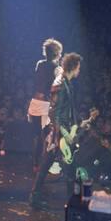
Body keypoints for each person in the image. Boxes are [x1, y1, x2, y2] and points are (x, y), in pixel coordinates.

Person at [29, 52, 82, 210]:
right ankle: (71, 201)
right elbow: (54, 112)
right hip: (59, 132)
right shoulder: (60, 84)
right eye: (78, 67)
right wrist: (63, 133)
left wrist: (76, 125)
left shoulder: (67, 83)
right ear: (73, 67)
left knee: (47, 164)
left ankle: (35, 197)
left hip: (61, 130)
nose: (80, 70)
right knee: (66, 165)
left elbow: (67, 109)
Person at [27, 38, 63, 173]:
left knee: (37, 135)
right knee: (48, 135)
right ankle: (45, 165)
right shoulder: (57, 68)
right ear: (56, 53)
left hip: (35, 102)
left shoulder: (40, 64)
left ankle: (35, 164)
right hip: (46, 105)